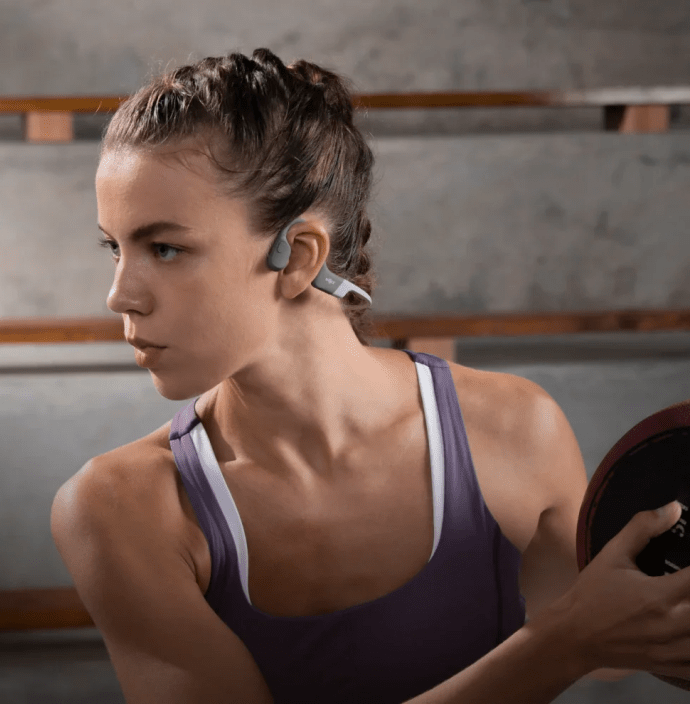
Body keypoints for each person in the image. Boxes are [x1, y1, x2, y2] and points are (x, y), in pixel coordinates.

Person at [50, 48, 690, 703]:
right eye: (115, 247)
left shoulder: (515, 427)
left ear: (298, 257)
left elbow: (620, 642)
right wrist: (567, 643)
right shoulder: (120, 509)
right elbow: (580, 635)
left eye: (164, 248)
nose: (119, 295)